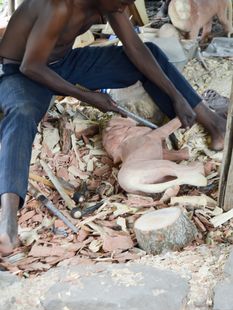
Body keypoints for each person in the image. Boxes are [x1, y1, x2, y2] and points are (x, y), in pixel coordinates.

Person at [0, 0, 225, 256]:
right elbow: (31, 66)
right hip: (20, 71)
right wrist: (88, 96)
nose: (126, 5)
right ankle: (8, 219)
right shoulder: (58, 6)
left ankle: (213, 124)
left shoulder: (111, 3)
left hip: (62, 62)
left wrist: (176, 95)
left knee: (149, 52)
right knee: (22, 113)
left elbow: (135, 48)